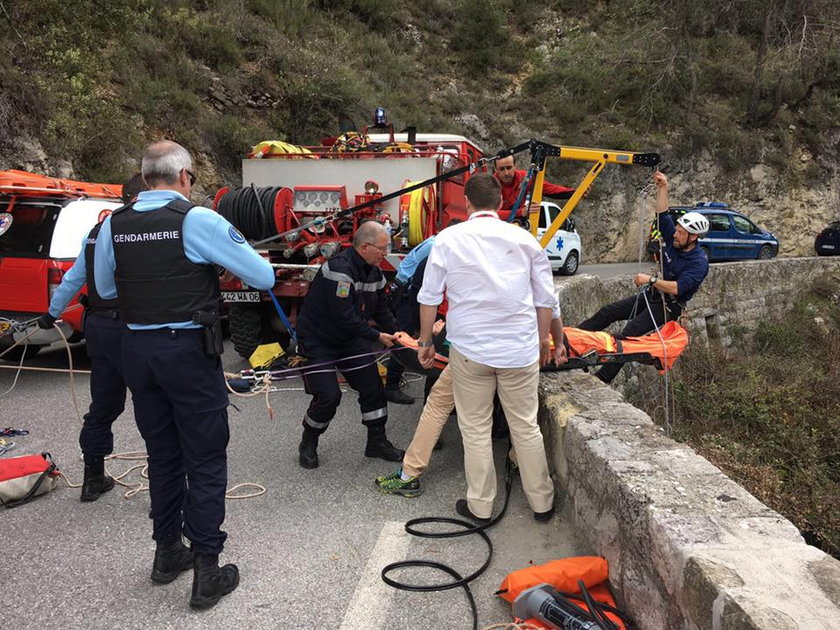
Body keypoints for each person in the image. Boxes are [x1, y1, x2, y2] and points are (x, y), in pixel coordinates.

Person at [94, 141, 275, 609]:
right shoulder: (196, 220)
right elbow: (264, 277)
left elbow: (107, 287)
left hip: (138, 351)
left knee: (163, 454)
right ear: (185, 177)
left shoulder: (114, 224)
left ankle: (167, 552)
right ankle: (207, 570)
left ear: (144, 175)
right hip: (187, 354)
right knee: (206, 456)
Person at [415, 173, 558, 524]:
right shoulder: (525, 240)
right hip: (520, 351)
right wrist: (543, 340)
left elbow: (429, 297)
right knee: (525, 426)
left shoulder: (447, 240)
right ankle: (543, 503)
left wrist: (425, 341)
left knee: (475, 428)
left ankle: (480, 505)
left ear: (466, 202)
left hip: (471, 351)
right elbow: (546, 299)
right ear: (499, 204)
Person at [36, 173, 148, 502]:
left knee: (102, 405)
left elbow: (73, 279)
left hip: (98, 327)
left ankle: (92, 477)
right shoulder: (144, 231)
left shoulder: (96, 232)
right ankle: (164, 486)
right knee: (150, 403)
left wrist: (51, 313)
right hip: (133, 327)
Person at [375, 314, 566, 498]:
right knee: (523, 421)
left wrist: (433, 338)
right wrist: (559, 343)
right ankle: (538, 495)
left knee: (448, 410)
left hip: (476, 354)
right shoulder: (529, 279)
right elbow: (548, 304)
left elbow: (454, 307)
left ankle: (412, 475)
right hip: (518, 353)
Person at [577, 171, 710, 384]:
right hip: (652, 296)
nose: (674, 235)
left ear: (693, 237)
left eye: (680, 233)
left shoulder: (698, 262)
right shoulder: (676, 243)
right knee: (608, 312)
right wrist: (663, 188)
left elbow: (678, 288)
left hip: (667, 307)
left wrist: (650, 280)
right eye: (676, 230)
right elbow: (662, 214)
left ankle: (601, 379)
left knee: (627, 335)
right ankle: (571, 342)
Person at [295, 220, 405, 470]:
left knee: (373, 388)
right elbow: (343, 317)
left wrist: (399, 334)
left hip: (349, 340)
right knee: (328, 396)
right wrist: (377, 337)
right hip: (319, 341)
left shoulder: (374, 272)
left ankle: (376, 442)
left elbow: (381, 310)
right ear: (365, 247)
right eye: (382, 248)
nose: (385, 254)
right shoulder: (339, 271)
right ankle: (308, 441)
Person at [493, 155, 576, 216]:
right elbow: (490, 214)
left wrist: (577, 192)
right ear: (496, 169)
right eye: (502, 169)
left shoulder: (524, 178)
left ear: (515, 167)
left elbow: (551, 190)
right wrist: (521, 212)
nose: (506, 173)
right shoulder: (490, 184)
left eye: (509, 168)